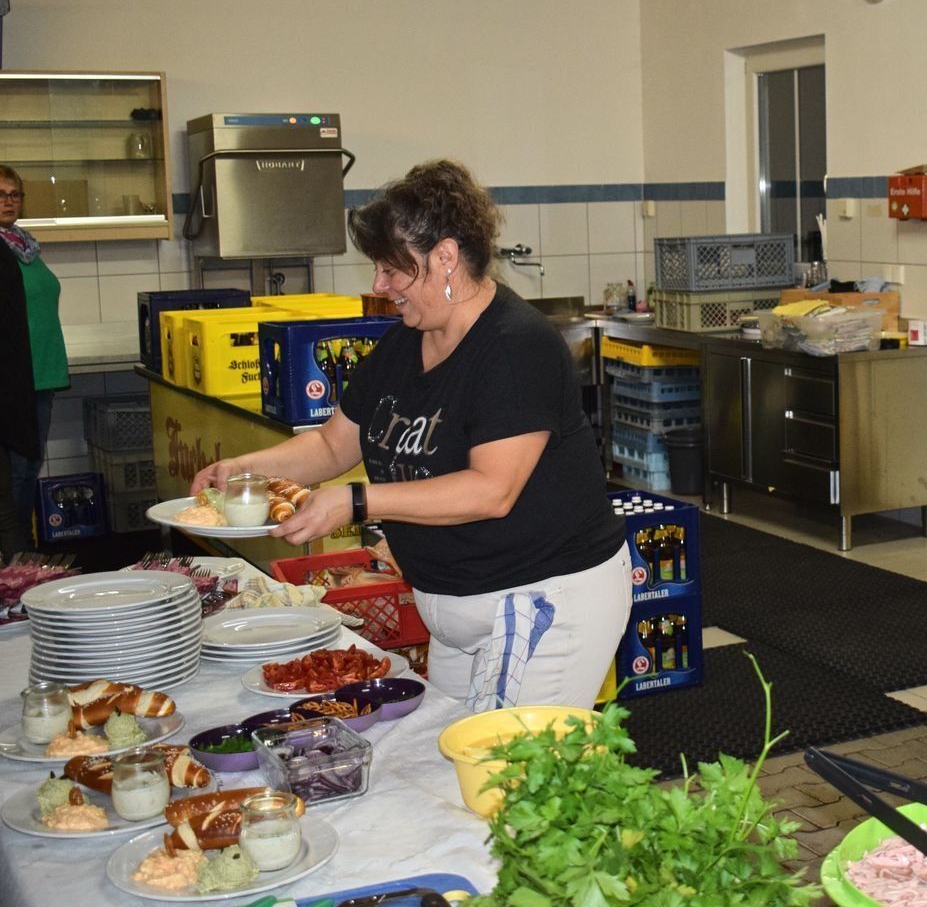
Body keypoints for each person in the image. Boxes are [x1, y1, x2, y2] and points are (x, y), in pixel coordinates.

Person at [192, 159, 629, 710]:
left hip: (541, 597)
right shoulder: (403, 344)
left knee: (502, 762)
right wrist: (245, 471)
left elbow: (491, 491)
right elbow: (331, 444)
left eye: (392, 268)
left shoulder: (516, 347)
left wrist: (356, 502)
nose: (379, 284)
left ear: (445, 256)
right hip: (455, 602)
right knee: (442, 754)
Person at [0, 166, 68, 557]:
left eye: (15, 194)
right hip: (12, 379)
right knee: (16, 470)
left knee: (27, 467)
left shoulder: (25, 246)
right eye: (1, 194)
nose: (9, 201)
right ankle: (16, 554)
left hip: (41, 373)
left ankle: (20, 553)